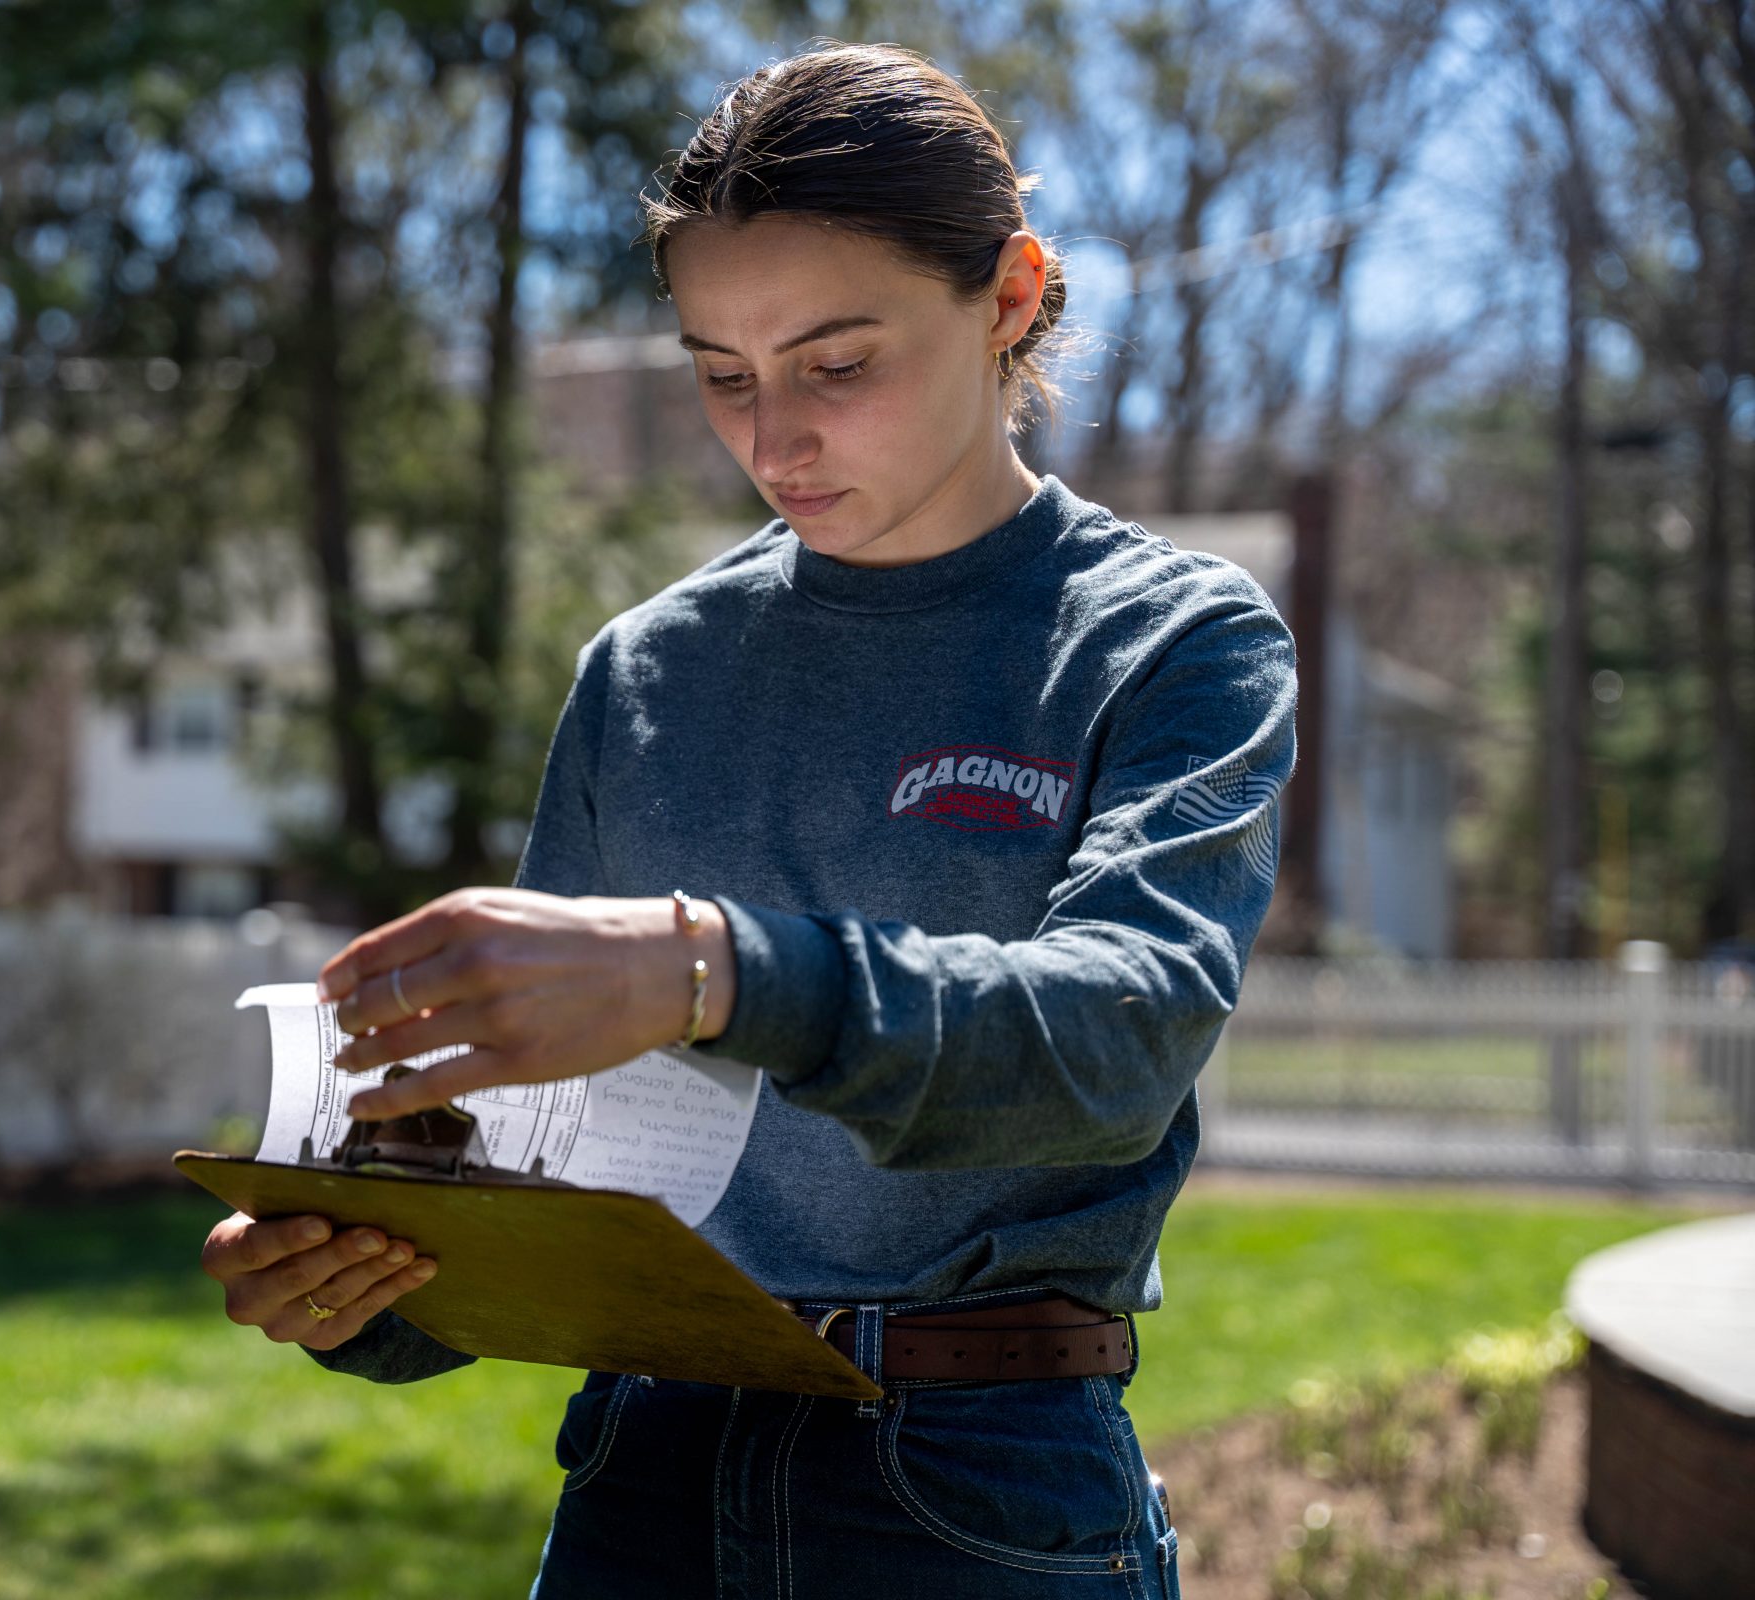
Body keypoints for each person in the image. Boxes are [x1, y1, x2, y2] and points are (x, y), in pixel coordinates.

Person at [199, 39, 1297, 1598]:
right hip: (642, 1480)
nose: (772, 441)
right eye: (722, 373)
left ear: (1006, 295)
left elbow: (1120, 1040)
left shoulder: (1171, 641)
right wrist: (371, 1293)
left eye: (837, 364)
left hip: (976, 1492)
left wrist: (714, 969)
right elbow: (542, 1158)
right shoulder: (647, 670)